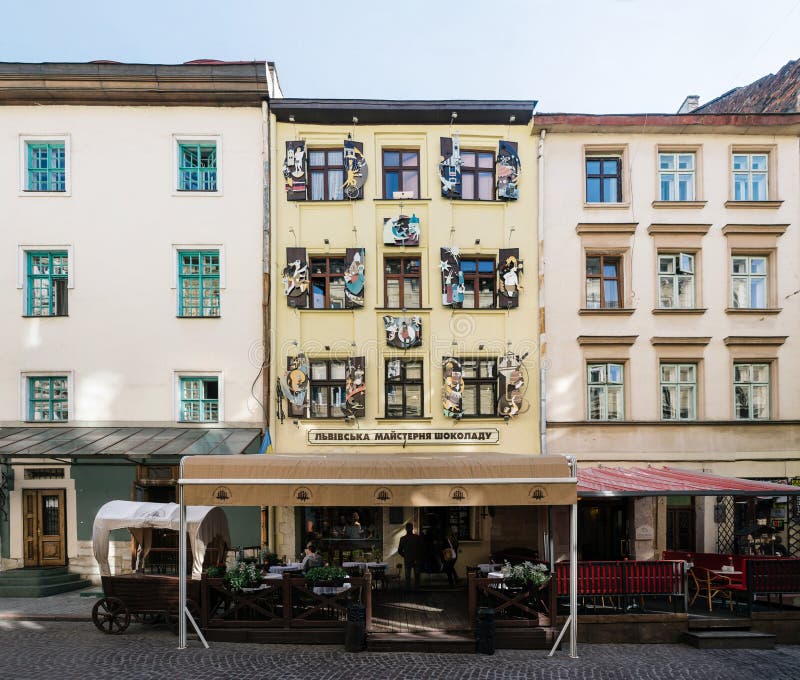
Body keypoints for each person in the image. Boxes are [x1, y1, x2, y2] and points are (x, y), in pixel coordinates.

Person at [397, 522, 424, 589]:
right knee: (416, 575)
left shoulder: (403, 538)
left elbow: (400, 550)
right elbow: (421, 549)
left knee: (407, 576)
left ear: (406, 529)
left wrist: (405, 555)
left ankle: (408, 588)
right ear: (412, 528)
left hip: (408, 559)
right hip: (416, 559)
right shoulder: (417, 537)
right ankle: (416, 588)